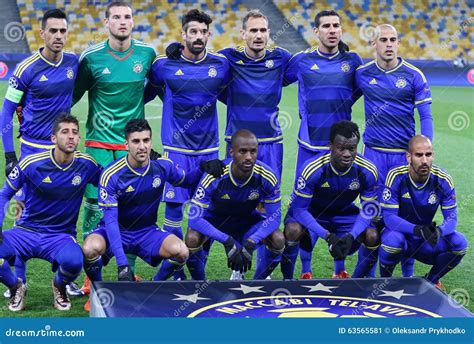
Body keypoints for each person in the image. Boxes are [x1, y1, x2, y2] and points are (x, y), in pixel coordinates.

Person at [82, 119, 221, 310]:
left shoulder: (162, 166)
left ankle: (154, 285)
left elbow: (186, 181)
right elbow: (111, 221)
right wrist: (123, 265)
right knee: (90, 247)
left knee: (181, 252)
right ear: (126, 144)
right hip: (116, 231)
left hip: (147, 232)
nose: (142, 146)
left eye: (146, 140)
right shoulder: (112, 174)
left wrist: (203, 168)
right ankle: (97, 292)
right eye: (136, 141)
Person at [72, 1, 156, 289]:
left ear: (134, 22)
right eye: (117, 17)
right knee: (95, 207)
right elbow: (71, 95)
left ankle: (128, 271)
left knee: (130, 210)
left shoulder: (147, 54)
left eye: (128, 17)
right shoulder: (91, 58)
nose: (123, 21)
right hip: (98, 145)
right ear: (106, 23)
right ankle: (89, 275)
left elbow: (154, 87)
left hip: (131, 148)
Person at [0, 8, 82, 297]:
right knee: (25, 214)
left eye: (63, 30)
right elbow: (6, 112)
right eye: (53, 31)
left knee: (67, 208)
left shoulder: (74, 62)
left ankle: (64, 274)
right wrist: (10, 155)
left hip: (65, 151)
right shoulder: (25, 69)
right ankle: (18, 282)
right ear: (42, 33)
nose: (58, 36)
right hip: (33, 150)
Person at [147, 9, 229, 280]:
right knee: (172, 212)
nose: (197, 36)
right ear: (183, 34)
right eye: (192, 31)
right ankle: (178, 268)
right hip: (176, 150)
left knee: (202, 213)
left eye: (202, 32)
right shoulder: (163, 64)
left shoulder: (221, 64)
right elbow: (151, 87)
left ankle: (198, 272)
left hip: (208, 152)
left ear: (208, 35)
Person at [283, 10, 363, 279]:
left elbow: (359, 90)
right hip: (310, 148)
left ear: (341, 30)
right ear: (315, 32)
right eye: (326, 26)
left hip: (341, 152)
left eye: (336, 25)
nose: (332, 30)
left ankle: (340, 270)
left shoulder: (353, 61)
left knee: (339, 206)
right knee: (302, 212)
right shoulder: (301, 60)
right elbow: (273, 73)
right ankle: (305, 271)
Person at [355, 24, 434, 277]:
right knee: (371, 214)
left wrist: (424, 153)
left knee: (405, 215)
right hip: (373, 156)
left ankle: (408, 275)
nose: (389, 44)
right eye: (383, 40)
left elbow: (426, 117)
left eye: (393, 40)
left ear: (398, 43)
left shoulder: (414, 75)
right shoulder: (362, 73)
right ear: (373, 44)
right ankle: (365, 275)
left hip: (403, 156)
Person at [0, 115, 100, 311]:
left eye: (74, 133)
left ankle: (59, 286)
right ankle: (16, 287)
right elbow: (4, 194)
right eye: (65, 132)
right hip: (25, 232)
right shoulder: (32, 163)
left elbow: (109, 181)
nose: (70, 137)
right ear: (53, 138)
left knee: (74, 262)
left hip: (60, 236)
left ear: (79, 139)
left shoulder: (87, 164)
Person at [281, 121, 379, 279]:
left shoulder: (367, 170)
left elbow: (369, 210)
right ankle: (289, 280)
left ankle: (357, 282)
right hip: (313, 212)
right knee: (293, 229)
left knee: (372, 235)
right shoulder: (313, 168)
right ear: (330, 146)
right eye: (341, 148)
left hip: (345, 213)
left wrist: (351, 235)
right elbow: (299, 210)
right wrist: (328, 236)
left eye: (352, 148)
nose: (347, 154)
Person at [184, 129, 284, 280]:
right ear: (231, 152)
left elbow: (274, 219)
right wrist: (227, 240)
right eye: (242, 151)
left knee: (278, 239)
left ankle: (258, 282)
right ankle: (199, 283)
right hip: (216, 221)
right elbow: (194, 219)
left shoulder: (267, 176)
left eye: (253, 151)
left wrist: (252, 241)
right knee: (192, 237)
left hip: (247, 222)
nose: (249, 157)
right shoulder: (215, 175)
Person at [379, 135, 467, 287]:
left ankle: (431, 282)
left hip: (423, 242)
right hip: (400, 236)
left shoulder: (443, 179)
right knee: (392, 243)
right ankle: (384, 283)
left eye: (429, 154)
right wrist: (417, 229)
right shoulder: (396, 176)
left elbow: (452, 219)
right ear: (409, 157)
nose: (425, 160)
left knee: (460, 243)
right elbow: (389, 218)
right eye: (419, 155)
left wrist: (438, 232)